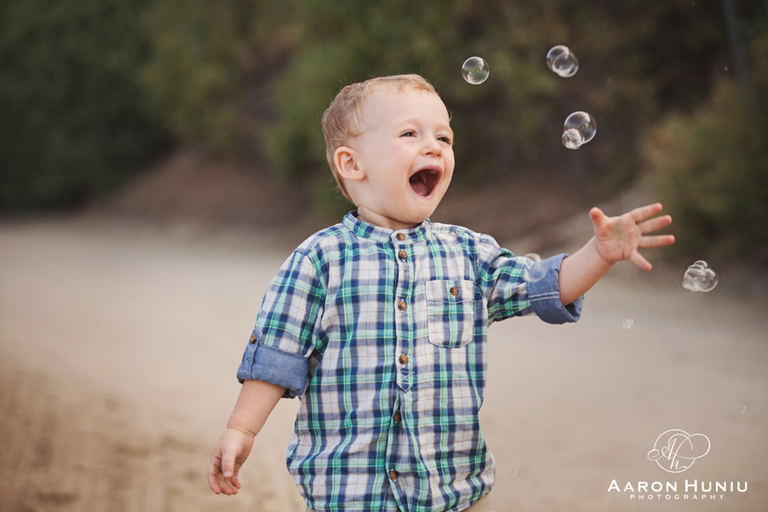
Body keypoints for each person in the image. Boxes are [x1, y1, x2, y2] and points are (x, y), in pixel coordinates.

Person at [207, 74, 674, 512]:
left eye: (444, 138)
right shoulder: (319, 260)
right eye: (410, 134)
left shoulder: (469, 253)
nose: (433, 146)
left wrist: (599, 252)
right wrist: (241, 429)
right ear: (352, 164)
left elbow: (545, 287)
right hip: (349, 492)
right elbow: (277, 354)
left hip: (453, 491)